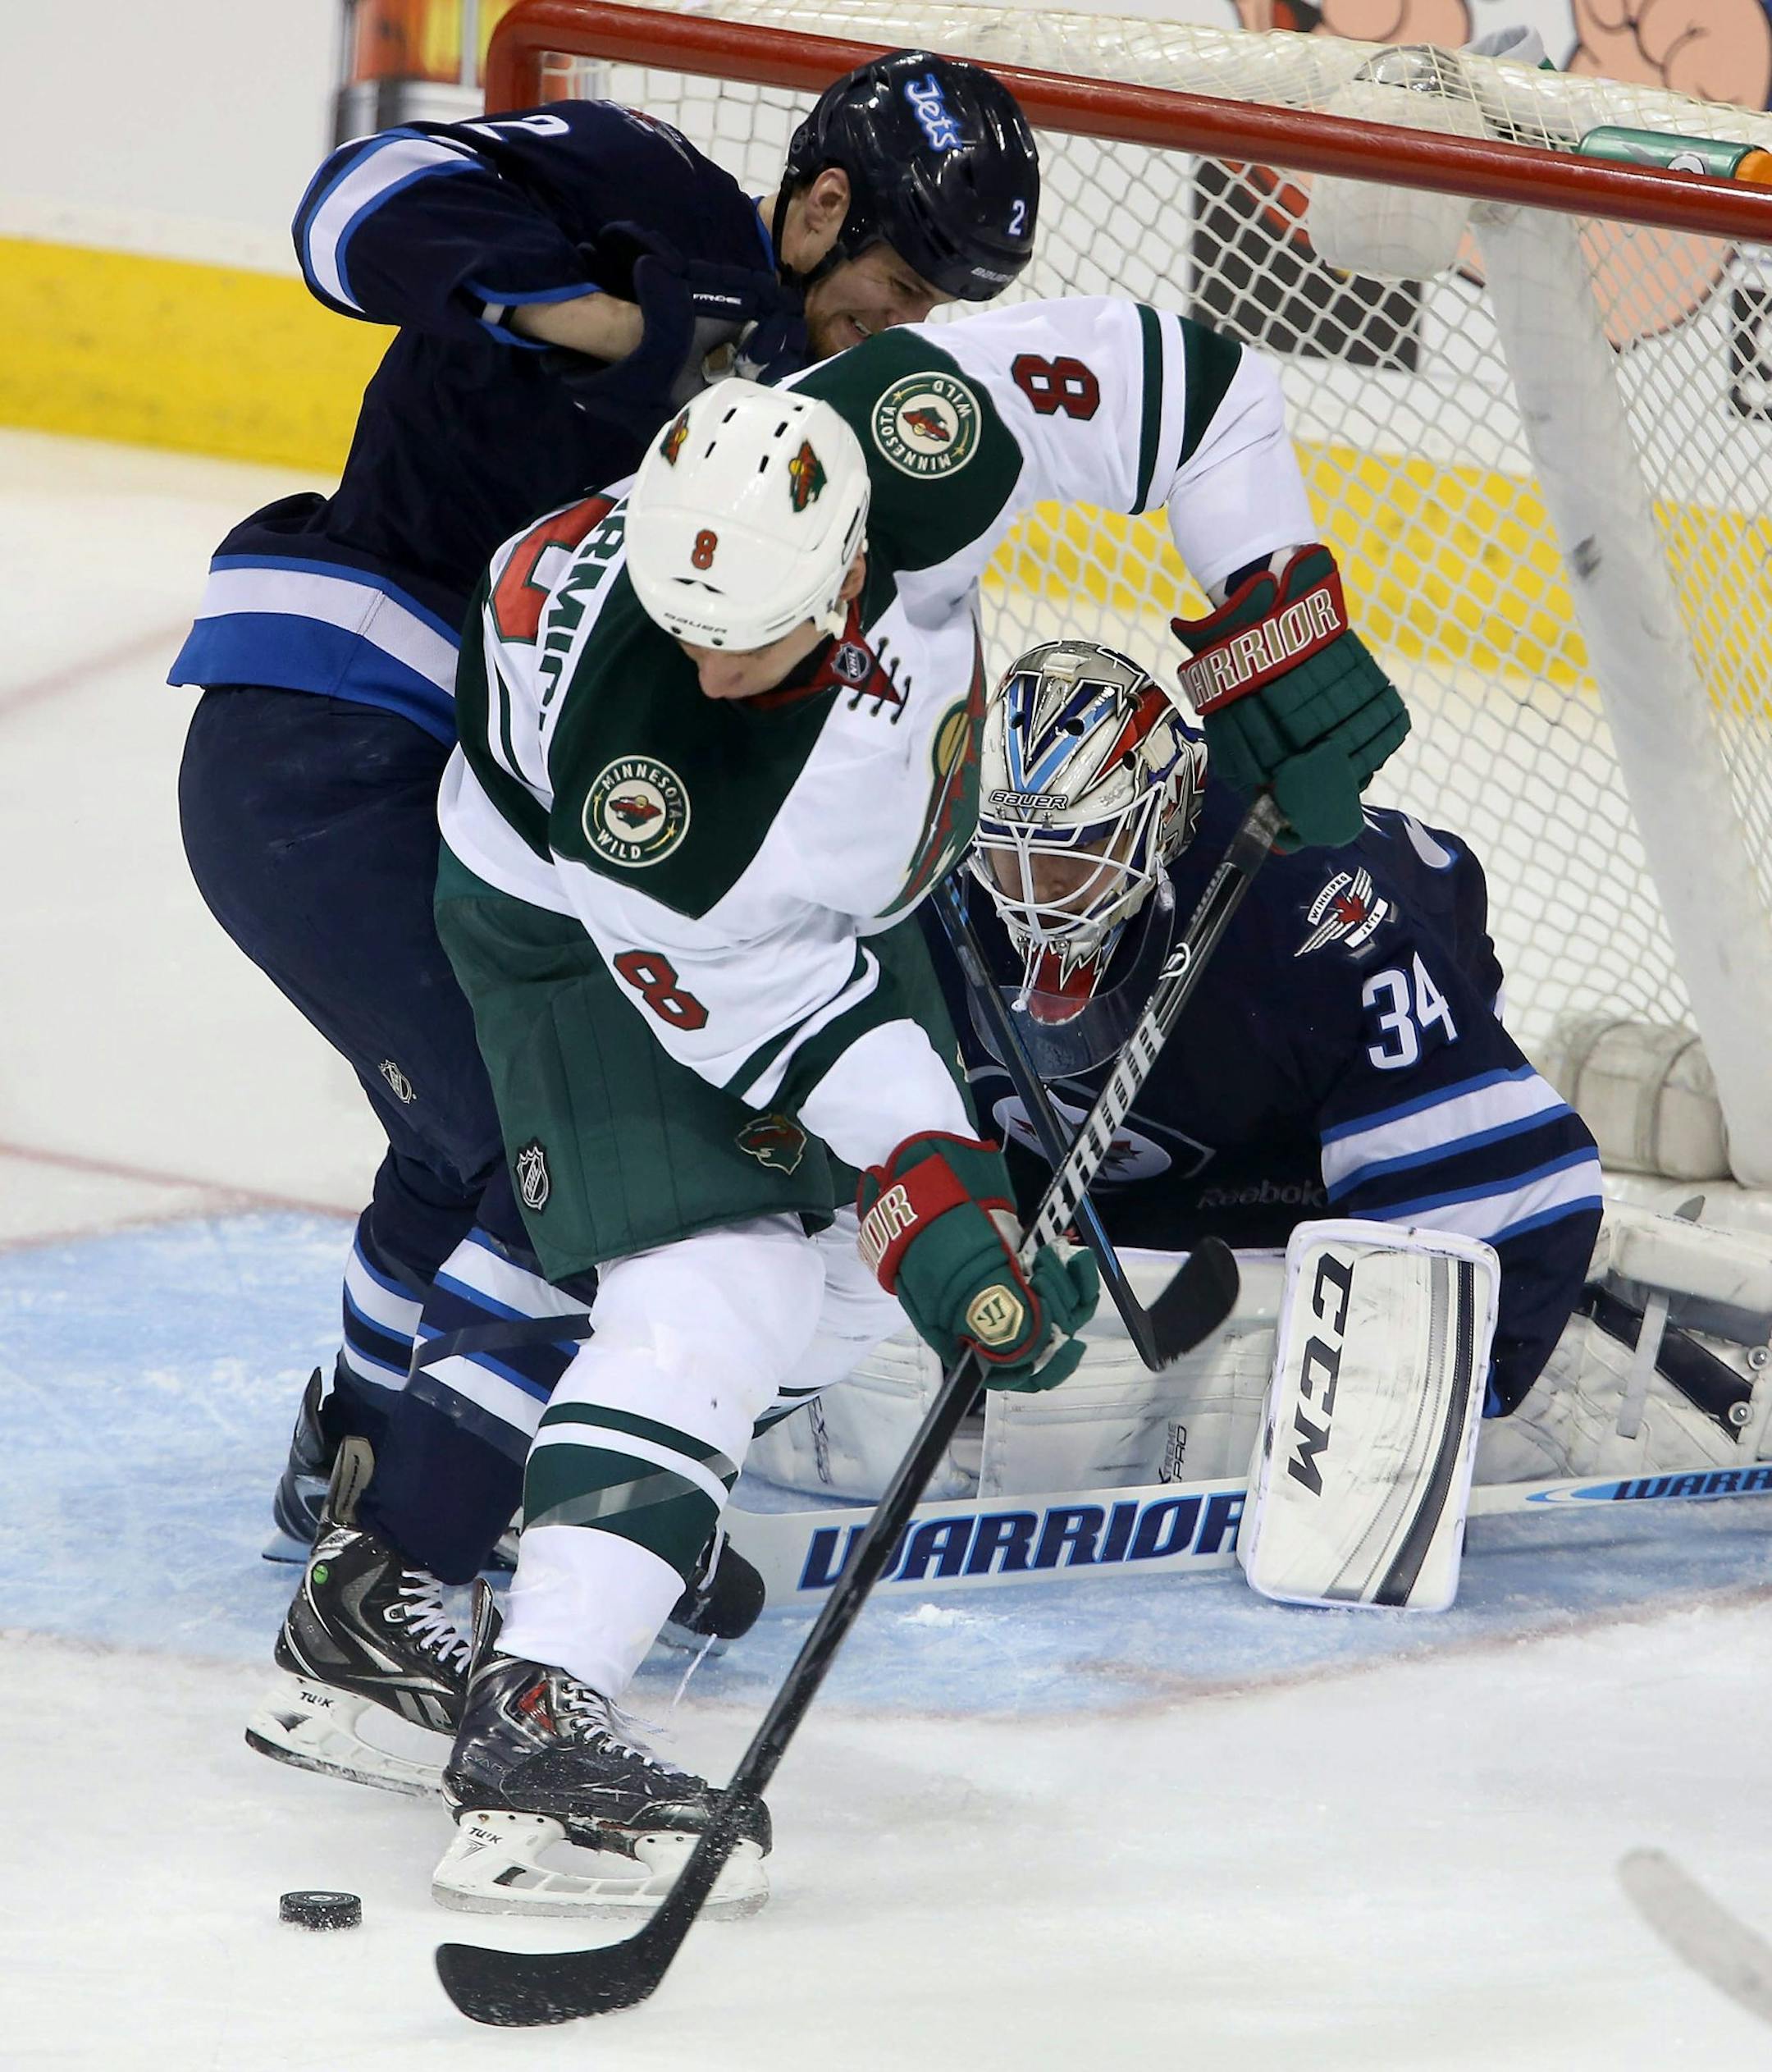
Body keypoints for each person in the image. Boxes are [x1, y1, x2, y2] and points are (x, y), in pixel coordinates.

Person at [385, 286, 1414, 1915]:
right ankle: (536, 1710)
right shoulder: (649, 787)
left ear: (850, 558)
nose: (714, 674)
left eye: (752, 641)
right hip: (574, 930)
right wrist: (940, 1183)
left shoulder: (913, 423)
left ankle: (638, 1486)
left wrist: (1273, 616)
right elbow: (797, 1024)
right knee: (717, 1277)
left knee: (864, 1282)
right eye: (695, 640)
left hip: (845, 898)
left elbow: (1196, 388)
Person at [170, 53, 1040, 1788]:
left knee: (460, 1147)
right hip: (337, 734)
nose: (916, 324)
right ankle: (403, 1568)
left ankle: (372, 1462)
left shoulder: (830, 433)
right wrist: (614, 324)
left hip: (468, 805)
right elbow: (350, 213)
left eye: (952, 302)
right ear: (816, 209)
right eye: (903, 278)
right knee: (547, 1153)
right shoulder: (654, 196)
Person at [760, 638, 1770, 1541]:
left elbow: (1502, 1187)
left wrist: (1429, 1394)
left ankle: (1672, 1369)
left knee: (1462, 1311)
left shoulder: (1310, 912)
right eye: (1009, 852)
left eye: (1069, 857)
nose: (1029, 892)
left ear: (1157, 819)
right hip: (1146, 1140)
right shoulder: (938, 893)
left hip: (1297, 1128)